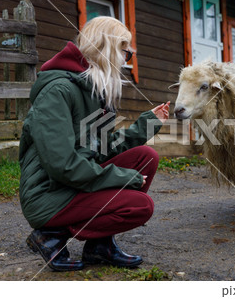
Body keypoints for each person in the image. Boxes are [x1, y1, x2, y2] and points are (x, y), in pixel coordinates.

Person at [19, 16, 170, 271]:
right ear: (109, 47)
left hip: (69, 185)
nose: (127, 59)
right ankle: (50, 235)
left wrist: (147, 125)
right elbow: (63, 165)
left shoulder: (94, 90)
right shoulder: (58, 91)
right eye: (126, 52)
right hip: (49, 194)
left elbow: (101, 149)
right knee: (139, 207)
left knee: (145, 157)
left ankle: (100, 246)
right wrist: (123, 177)